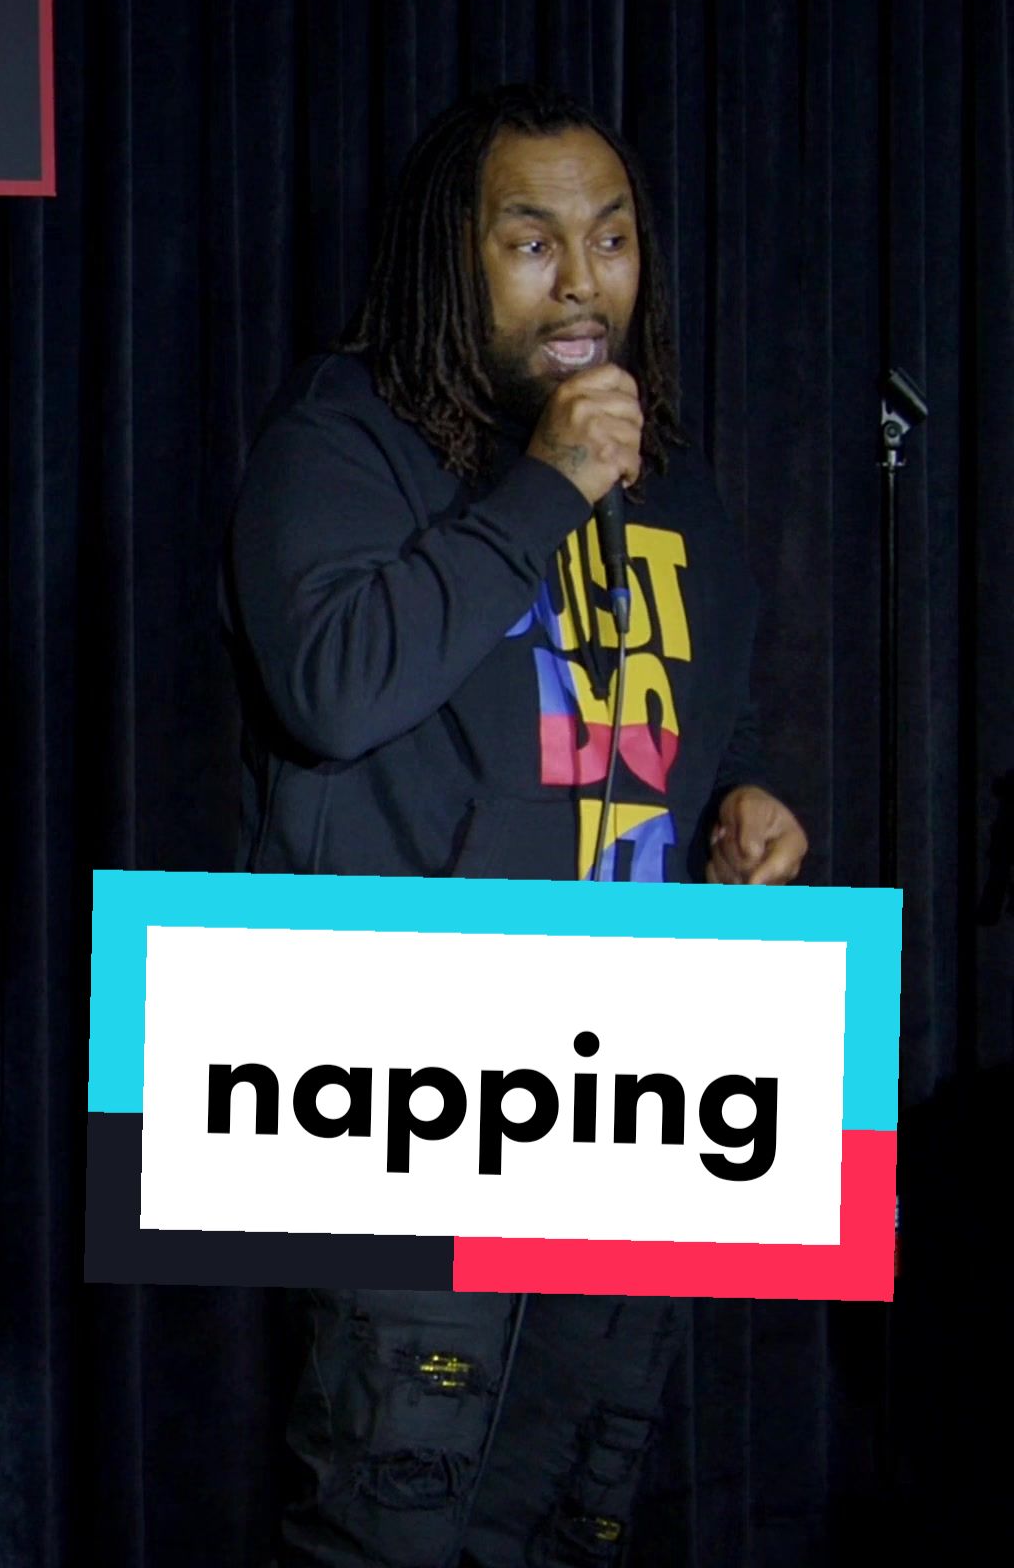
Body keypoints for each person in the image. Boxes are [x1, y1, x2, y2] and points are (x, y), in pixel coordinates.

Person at [223, 84, 808, 1568]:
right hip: (412, 1080)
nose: (582, 281)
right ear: (453, 256)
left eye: (611, 239)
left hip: (639, 1083)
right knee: (394, 1516)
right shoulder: (346, 433)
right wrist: (546, 486)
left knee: (571, 1514)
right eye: (532, 241)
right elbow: (335, 689)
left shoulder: (667, 474)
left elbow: (696, 717)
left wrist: (747, 805)